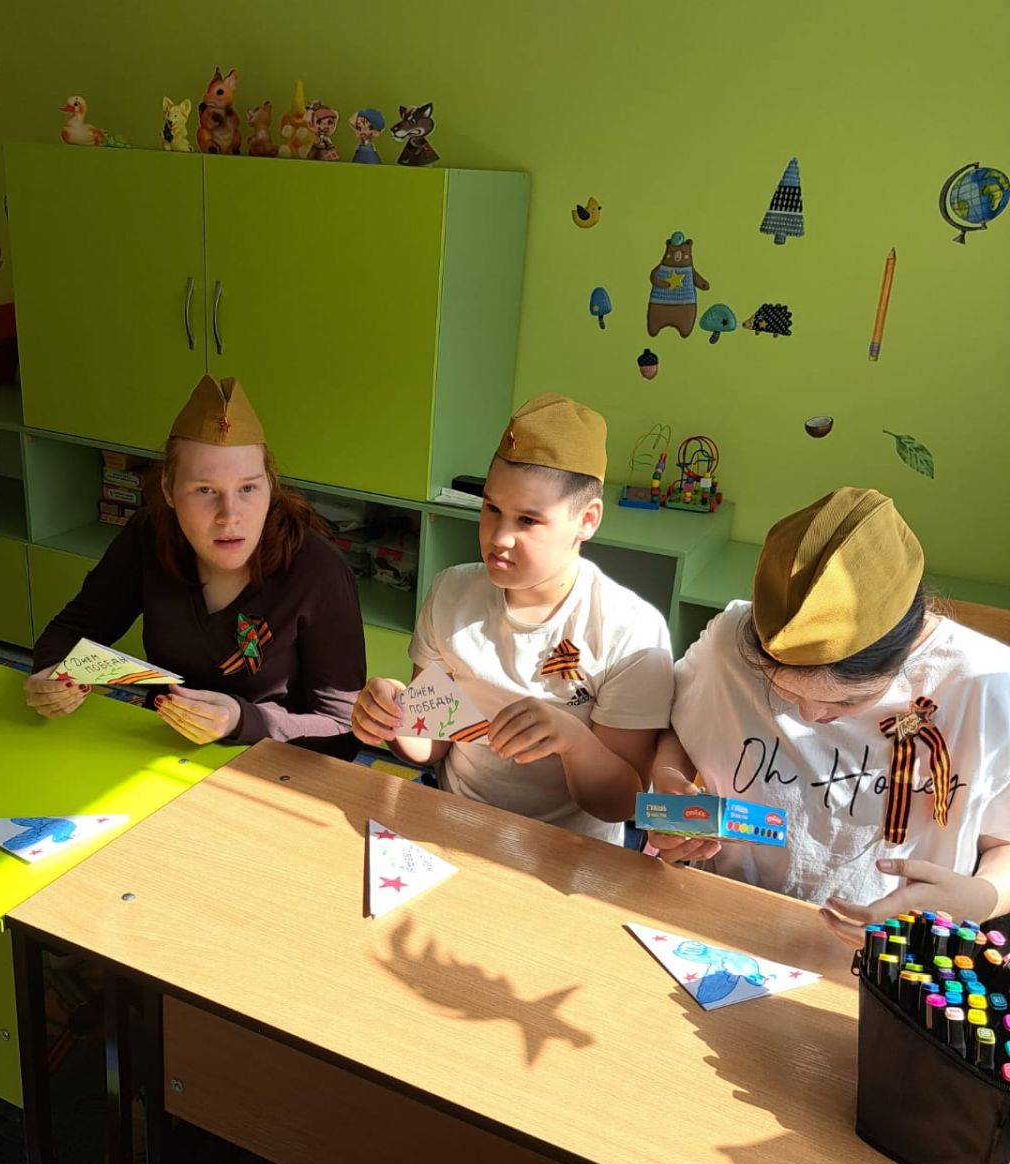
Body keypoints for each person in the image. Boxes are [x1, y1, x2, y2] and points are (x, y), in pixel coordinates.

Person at [646, 487, 1010, 945]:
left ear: (905, 653)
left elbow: (1003, 843)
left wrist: (982, 896)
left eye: (846, 703)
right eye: (783, 690)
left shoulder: (987, 689)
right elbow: (680, 725)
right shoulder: (728, 647)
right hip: (724, 921)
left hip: (886, 952)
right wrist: (669, 780)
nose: (810, 713)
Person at [352, 392, 674, 842]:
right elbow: (433, 745)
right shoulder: (451, 593)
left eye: (527, 520)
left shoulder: (630, 632)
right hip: (453, 822)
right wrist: (393, 717)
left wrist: (573, 741)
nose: (499, 537)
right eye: (491, 509)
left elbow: (622, 802)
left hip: (566, 850)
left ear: (587, 520)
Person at [25, 375, 365, 759]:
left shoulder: (319, 572)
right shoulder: (148, 536)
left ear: (270, 486)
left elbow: (342, 732)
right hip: (161, 747)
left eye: (248, 488)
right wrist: (52, 675)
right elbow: (71, 630)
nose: (229, 515)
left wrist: (241, 719)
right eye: (205, 490)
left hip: (274, 765)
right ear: (168, 490)